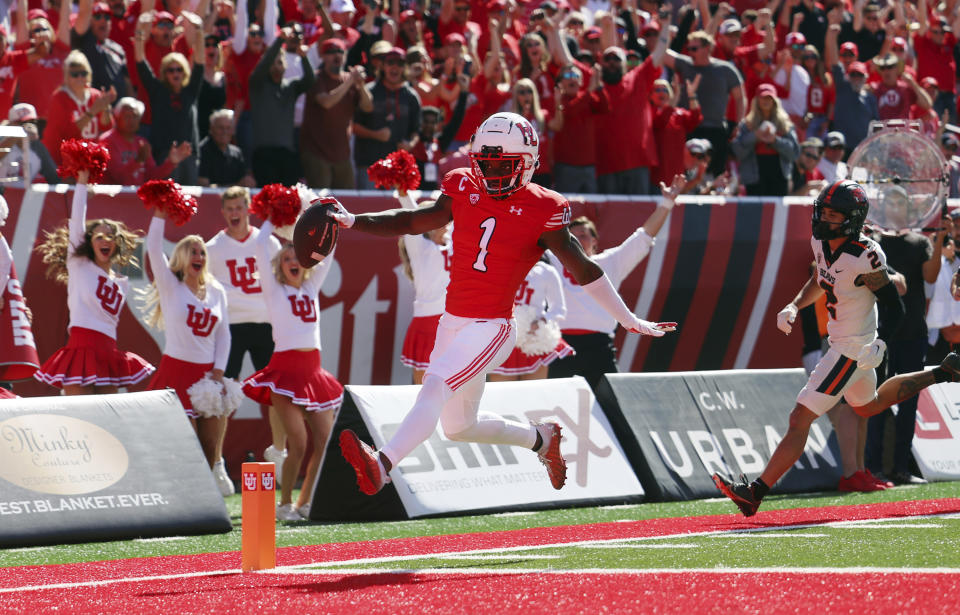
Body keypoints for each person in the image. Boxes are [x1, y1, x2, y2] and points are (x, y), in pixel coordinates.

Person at [329, 112, 677, 498]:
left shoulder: (544, 208)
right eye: (486, 162)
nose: (492, 171)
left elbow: (584, 268)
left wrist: (626, 319)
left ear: (528, 163)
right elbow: (414, 220)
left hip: (492, 326)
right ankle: (542, 440)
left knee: (435, 384)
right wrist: (353, 220)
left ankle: (383, 463)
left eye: (503, 163)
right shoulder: (462, 184)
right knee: (459, 426)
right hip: (453, 321)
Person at [713, 180, 960, 517]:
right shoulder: (821, 241)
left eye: (833, 214)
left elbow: (893, 304)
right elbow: (820, 278)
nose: (824, 219)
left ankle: (754, 492)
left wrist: (881, 341)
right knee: (868, 407)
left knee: (800, 417)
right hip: (845, 341)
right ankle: (941, 372)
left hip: (851, 347)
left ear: (851, 218)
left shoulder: (864, 255)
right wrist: (793, 306)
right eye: (823, 212)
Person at [242, 217, 342, 521]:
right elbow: (260, 244)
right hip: (285, 373)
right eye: (286, 258)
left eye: (297, 255)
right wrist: (276, 215)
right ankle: (284, 504)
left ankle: (305, 502)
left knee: (325, 441)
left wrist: (322, 216)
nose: (292, 260)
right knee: (298, 442)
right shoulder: (274, 290)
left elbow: (330, 250)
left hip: (314, 372)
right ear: (279, 267)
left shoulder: (311, 286)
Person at [547, 175, 678, 389]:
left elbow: (644, 236)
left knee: (613, 403)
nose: (579, 239)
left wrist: (667, 203)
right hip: (559, 345)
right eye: (573, 236)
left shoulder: (610, 262)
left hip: (599, 346)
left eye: (584, 235)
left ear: (595, 241)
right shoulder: (550, 260)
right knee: (549, 403)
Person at [33, 170, 154, 393]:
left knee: (105, 420)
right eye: (99, 236)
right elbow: (77, 221)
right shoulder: (80, 265)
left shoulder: (122, 282)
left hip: (108, 352)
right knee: (80, 416)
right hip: (80, 349)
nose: (105, 240)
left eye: (110, 237)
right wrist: (81, 183)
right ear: (90, 243)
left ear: (117, 244)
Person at [205, 186, 284, 494]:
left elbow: (282, 280)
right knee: (225, 394)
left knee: (279, 391)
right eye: (230, 208)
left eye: (240, 207)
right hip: (232, 326)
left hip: (266, 323)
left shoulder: (268, 241)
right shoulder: (214, 247)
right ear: (223, 212)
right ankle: (216, 462)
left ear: (249, 209)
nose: (235, 213)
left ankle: (279, 451)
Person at [865, 192, 946, 486]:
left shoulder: (918, 242)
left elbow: (932, 277)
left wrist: (939, 239)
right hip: (881, 333)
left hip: (913, 332)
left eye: (900, 202)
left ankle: (900, 467)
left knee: (908, 402)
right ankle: (870, 468)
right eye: (890, 202)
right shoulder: (874, 241)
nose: (894, 207)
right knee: (874, 402)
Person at [143, 202, 231, 473]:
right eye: (193, 251)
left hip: (207, 377)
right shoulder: (171, 285)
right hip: (176, 373)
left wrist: (218, 370)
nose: (199, 256)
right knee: (186, 443)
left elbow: (225, 333)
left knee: (210, 445)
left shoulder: (216, 291)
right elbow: (154, 250)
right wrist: (159, 214)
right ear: (182, 256)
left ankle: (204, 506)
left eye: (202, 252)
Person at [134, 11, 204, 185]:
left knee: (189, 202)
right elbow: (141, 61)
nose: (175, 73)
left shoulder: (190, 90)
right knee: (167, 200)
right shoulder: (158, 90)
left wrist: (199, 31)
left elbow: (200, 63)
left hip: (189, 155)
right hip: (165, 154)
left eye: (179, 69)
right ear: (164, 73)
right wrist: (140, 31)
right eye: (171, 70)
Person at [300, 38, 371, 189]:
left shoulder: (349, 80)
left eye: (340, 52)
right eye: (331, 52)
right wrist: (350, 81)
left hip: (342, 154)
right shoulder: (316, 78)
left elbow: (368, 107)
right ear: (323, 56)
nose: (336, 56)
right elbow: (326, 102)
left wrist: (361, 86)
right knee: (321, 201)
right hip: (317, 152)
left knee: (347, 202)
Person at [249, 27, 315, 186]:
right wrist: (280, 41)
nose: (276, 65)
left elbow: (309, 80)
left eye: (280, 61)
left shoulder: (290, 87)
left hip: (286, 154)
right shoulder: (257, 84)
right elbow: (262, 67)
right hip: (263, 153)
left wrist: (304, 58)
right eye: (273, 62)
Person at [396, 195, 451, 384]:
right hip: (427, 324)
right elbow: (411, 214)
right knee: (423, 389)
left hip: (453, 323)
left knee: (452, 388)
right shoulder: (420, 247)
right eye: (440, 219)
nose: (446, 223)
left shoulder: (453, 244)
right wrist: (403, 192)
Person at [489, 255, 571, 381]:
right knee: (503, 395)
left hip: (533, 341)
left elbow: (559, 309)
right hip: (502, 339)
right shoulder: (498, 266)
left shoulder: (547, 272)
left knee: (534, 394)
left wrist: (542, 321)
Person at [353, 46, 421, 189]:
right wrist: (375, 135)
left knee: (396, 210)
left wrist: (410, 144)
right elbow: (353, 127)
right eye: (390, 63)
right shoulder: (369, 91)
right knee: (369, 208)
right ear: (383, 66)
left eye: (400, 64)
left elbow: (416, 130)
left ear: (405, 68)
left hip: (398, 169)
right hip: (370, 166)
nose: (395, 67)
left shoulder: (411, 96)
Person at [99, 97, 191, 185]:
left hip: (136, 197)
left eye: (135, 116)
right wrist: (138, 161)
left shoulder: (142, 142)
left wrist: (171, 163)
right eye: (127, 116)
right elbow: (118, 177)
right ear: (117, 117)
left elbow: (151, 176)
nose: (131, 120)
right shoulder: (107, 140)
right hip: (113, 198)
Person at [730, 83, 800, 197]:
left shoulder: (785, 124)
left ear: (775, 101)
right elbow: (737, 151)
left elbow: (794, 153)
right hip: (754, 177)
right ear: (757, 100)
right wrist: (755, 136)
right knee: (755, 213)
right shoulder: (747, 124)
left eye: (769, 98)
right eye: (763, 97)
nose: (766, 101)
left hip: (779, 176)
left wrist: (775, 140)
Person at [71, 0, 130, 96]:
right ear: (89, 21)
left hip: (118, 108)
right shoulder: (83, 41)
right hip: (93, 105)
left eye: (107, 17)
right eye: (97, 16)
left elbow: (127, 82)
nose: (103, 20)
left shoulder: (118, 49)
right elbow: (84, 12)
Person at [0, 103, 58, 183]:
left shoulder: (38, 147)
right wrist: (17, 135)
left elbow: (54, 178)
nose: (29, 127)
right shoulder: (2, 139)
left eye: (32, 122)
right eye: (22, 123)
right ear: (10, 124)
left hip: (26, 194)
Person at [197, 109, 253, 187]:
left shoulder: (237, 153)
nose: (225, 132)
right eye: (221, 128)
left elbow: (244, 181)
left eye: (228, 128)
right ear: (211, 128)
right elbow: (204, 186)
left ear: (233, 130)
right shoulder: (201, 151)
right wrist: (236, 186)